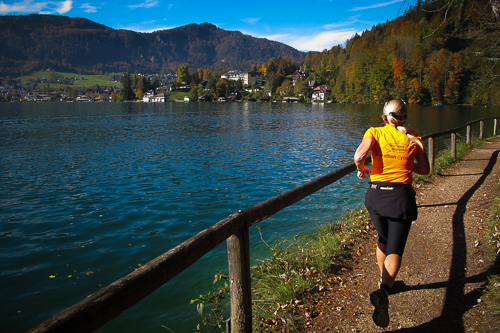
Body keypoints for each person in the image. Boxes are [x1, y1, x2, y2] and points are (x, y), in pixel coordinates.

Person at [353, 99, 430, 328]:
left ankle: (384, 280)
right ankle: (385, 289)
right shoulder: (414, 136)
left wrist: (363, 169)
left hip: (376, 196)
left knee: (383, 239)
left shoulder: (374, 132)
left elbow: (359, 157)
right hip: (400, 198)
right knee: (395, 248)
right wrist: (407, 164)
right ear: (404, 117)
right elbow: (425, 170)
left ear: (383, 117)